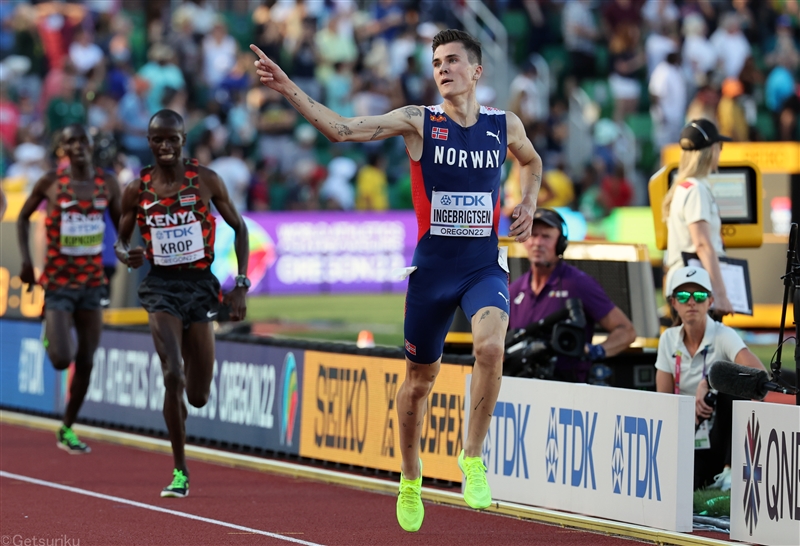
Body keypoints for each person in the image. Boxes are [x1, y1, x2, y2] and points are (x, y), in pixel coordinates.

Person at [251, 28, 542, 532]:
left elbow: (532, 161)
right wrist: (287, 87)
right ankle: (411, 476)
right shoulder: (418, 122)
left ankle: (471, 459)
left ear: (477, 71)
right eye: (436, 63)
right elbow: (341, 130)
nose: (443, 69)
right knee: (419, 382)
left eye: (453, 60)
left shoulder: (504, 124)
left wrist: (529, 201)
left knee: (491, 347)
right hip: (431, 274)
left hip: (481, 266)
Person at [114, 109, 250, 498]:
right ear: (149, 141)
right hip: (160, 288)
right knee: (172, 372)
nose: (166, 146)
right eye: (158, 139)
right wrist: (127, 255)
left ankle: (183, 409)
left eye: (173, 139)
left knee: (198, 395)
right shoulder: (136, 188)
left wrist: (240, 284)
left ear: (183, 140)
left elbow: (239, 227)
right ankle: (179, 469)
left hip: (201, 287)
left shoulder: (205, 181)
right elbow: (121, 241)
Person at [16, 124, 122, 453]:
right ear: (62, 149)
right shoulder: (50, 182)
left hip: (92, 283)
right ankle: (50, 330)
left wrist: (127, 247)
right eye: (70, 142)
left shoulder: (107, 183)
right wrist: (27, 262)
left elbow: (122, 226)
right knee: (63, 359)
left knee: (87, 361)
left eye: (82, 141)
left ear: (91, 145)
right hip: (59, 283)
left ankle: (67, 427)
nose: (77, 147)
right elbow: (22, 218)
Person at [655, 266, 765, 490]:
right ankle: (709, 473)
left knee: (730, 387)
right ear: (674, 303)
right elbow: (663, 402)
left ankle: (732, 470)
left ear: (711, 301)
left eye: (700, 295)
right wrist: (689, 414)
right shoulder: (668, 339)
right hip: (687, 433)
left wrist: (709, 382)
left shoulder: (723, 334)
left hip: (720, 434)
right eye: (683, 296)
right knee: (688, 485)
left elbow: (759, 376)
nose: (691, 302)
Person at [508, 209, 637, 383]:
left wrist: (594, 352)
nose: (537, 243)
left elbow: (626, 331)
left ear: (561, 243)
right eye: (533, 235)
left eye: (546, 237)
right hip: (522, 389)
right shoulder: (514, 290)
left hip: (568, 390)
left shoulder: (578, 284)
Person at [662, 119, 734, 317]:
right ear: (710, 150)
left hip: (685, 285)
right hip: (696, 289)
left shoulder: (684, 187)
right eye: (719, 147)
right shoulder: (696, 190)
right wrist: (719, 294)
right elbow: (702, 244)